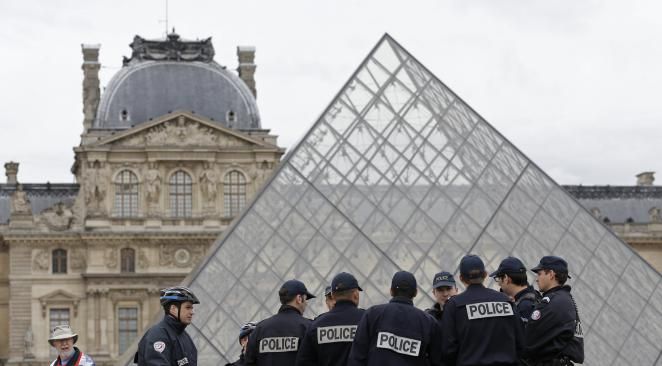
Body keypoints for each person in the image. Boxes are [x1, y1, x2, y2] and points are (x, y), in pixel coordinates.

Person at [441, 255, 523, 366]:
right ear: (485, 275)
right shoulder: (505, 300)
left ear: (461, 278)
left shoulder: (454, 305)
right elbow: (520, 342)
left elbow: (448, 350)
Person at [347, 271, 442, 366]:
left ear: (391, 291)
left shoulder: (372, 314)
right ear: (415, 292)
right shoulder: (428, 322)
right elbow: (437, 361)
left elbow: (357, 357)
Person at [524, 256, 584, 366]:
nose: (537, 279)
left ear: (551, 274)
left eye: (539, 274)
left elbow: (528, 341)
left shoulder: (552, 302)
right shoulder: (565, 299)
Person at [296, 272, 366, 366]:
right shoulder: (368, 320)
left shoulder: (316, 325)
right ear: (356, 294)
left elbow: (303, 362)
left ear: (333, 295)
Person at [245, 279, 315, 365]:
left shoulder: (260, 329)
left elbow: (248, 362)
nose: (306, 304)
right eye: (305, 299)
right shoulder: (307, 327)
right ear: (299, 299)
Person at [134, 286, 199, 366]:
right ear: (173, 309)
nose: (192, 312)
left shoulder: (184, 336)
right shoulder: (157, 336)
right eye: (188, 307)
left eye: (192, 308)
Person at [490, 256, 540, 324]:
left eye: (498, 278)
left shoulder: (524, 307)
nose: (499, 284)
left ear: (506, 278)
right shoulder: (535, 296)